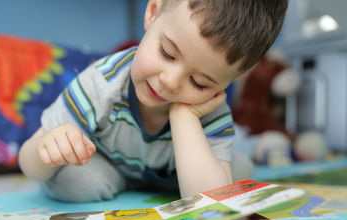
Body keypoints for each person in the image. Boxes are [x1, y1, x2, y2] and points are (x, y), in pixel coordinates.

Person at [18, 0, 288, 202]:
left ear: (234, 78)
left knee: (239, 175)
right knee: (74, 182)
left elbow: (209, 209)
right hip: (109, 165)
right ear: (152, 12)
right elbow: (28, 164)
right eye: (167, 53)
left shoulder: (210, 108)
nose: (170, 81)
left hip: (172, 175)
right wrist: (48, 148)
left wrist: (184, 116)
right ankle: (122, 181)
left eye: (200, 82)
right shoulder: (102, 82)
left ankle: (191, 176)